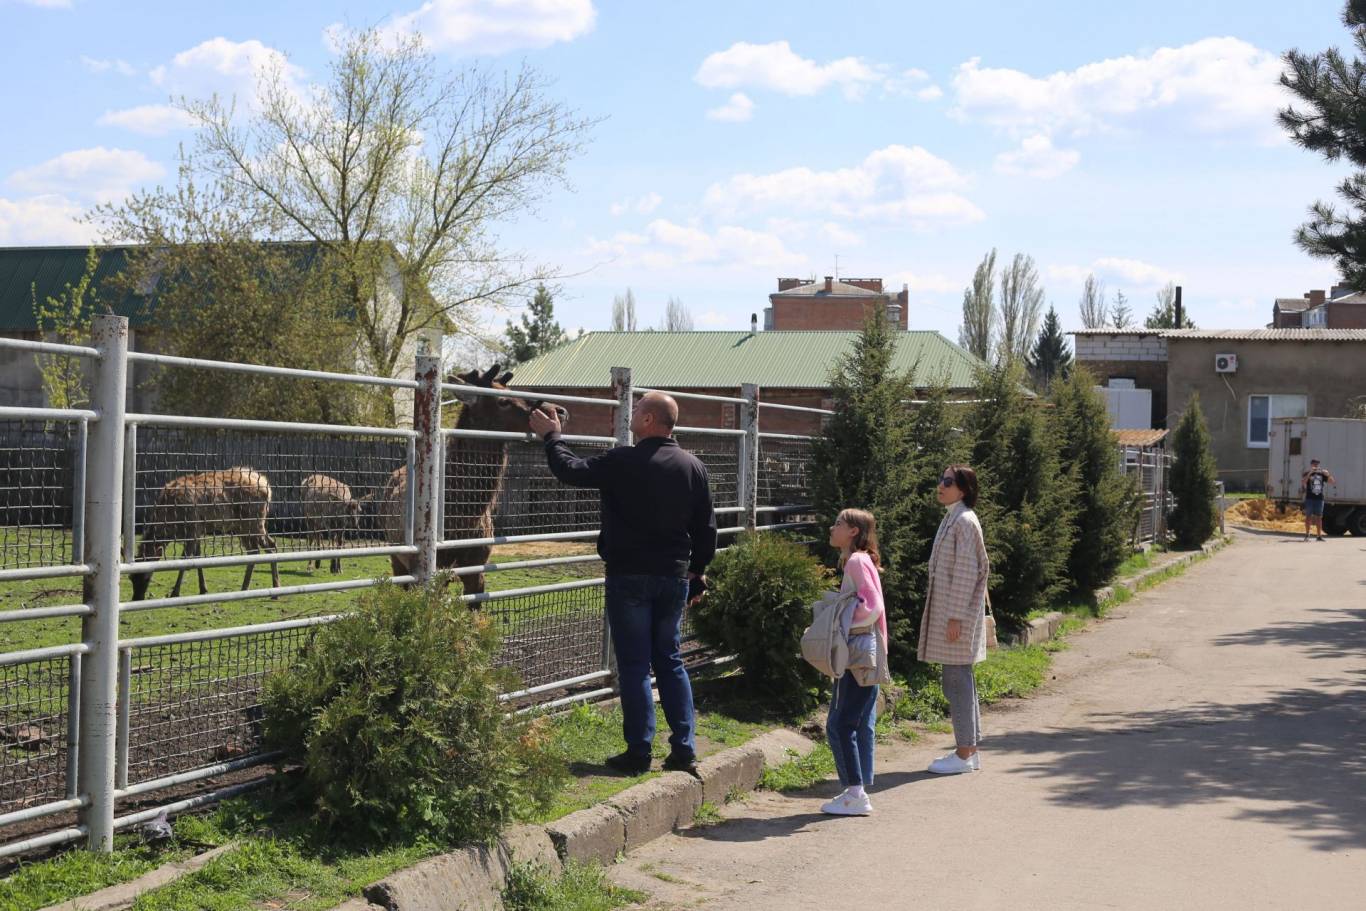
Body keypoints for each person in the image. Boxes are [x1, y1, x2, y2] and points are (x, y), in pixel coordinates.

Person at [529, 392, 716, 776]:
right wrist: (697, 570)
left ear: (649, 420)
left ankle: (638, 752)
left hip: (629, 576)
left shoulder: (623, 461)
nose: (630, 415)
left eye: (636, 410)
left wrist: (553, 437)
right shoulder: (693, 466)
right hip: (673, 576)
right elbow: (706, 528)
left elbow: (572, 471)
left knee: (634, 666)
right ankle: (684, 748)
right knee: (670, 660)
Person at [918, 465, 990, 775]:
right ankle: (968, 750)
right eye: (940, 479)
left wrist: (956, 617)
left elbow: (965, 572)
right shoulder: (954, 517)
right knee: (960, 679)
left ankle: (963, 754)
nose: (940, 485)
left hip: (955, 614)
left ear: (963, 489)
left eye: (947, 481)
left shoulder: (963, 520)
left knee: (956, 681)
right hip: (951, 612)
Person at [821, 508, 887, 816]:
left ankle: (855, 793)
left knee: (840, 723)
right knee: (849, 722)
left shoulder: (858, 561)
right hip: (863, 653)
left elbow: (871, 606)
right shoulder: (858, 561)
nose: (832, 528)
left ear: (853, 532)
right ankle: (855, 790)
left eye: (838, 524)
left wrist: (842, 622)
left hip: (858, 654)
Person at [1300, 458, 1335, 541]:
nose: (1316, 465)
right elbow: (1303, 482)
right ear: (1311, 464)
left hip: (1319, 499)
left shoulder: (1322, 474)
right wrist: (1310, 473)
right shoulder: (1307, 473)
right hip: (1309, 498)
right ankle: (1307, 535)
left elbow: (1332, 482)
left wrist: (1328, 474)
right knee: (1308, 517)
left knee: (1319, 517)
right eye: (1314, 464)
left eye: (1317, 464)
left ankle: (1319, 536)